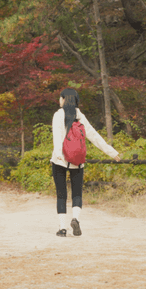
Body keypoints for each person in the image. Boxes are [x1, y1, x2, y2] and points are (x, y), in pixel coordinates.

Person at [51, 88, 121, 237]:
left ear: (64, 99)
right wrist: (112, 152)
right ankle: (75, 219)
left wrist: (58, 154)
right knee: (77, 193)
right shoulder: (80, 116)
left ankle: (62, 229)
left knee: (61, 194)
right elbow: (94, 136)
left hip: (60, 161)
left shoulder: (58, 114)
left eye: (60, 98)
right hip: (77, 160)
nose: (59, 100)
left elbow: (57, 135)